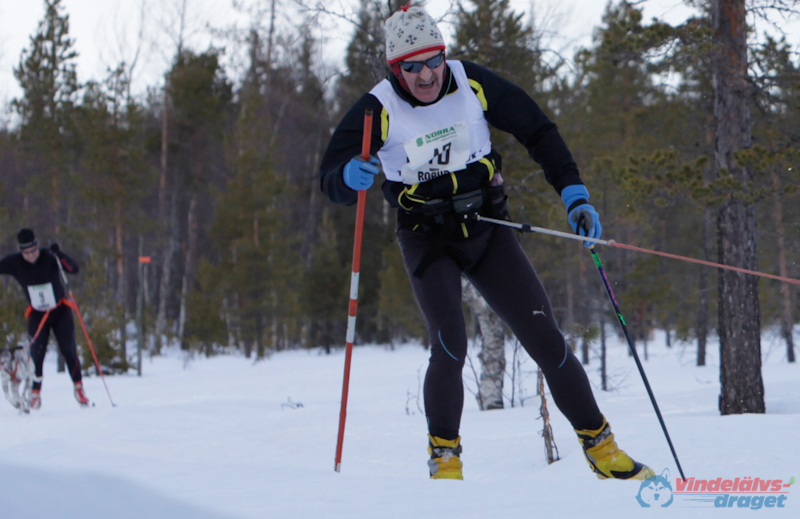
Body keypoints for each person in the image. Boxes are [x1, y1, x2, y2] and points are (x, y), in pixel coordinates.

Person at [320, 4, 652, 481]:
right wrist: (347, 177)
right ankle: (445, 459)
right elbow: (330, 177)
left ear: (443, 55)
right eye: (411, 67)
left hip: (487, 228)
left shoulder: (470, 81)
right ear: (396, 69)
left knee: (544, 338)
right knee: (450, 344)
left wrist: (574, 193)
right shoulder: (378, 107)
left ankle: (601, 447)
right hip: (426, 237)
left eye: (433, 59)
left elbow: (537, 129)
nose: (427, 74)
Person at [0, 229, 90, 409]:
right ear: (21, 251)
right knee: (36, 354)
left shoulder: (49, 256)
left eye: (34, 250)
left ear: (37, 246)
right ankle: (35, 394)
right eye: (27, 253)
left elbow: (73, 268)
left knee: (69, 350)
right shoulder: (15, 262)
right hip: (37, 313)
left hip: (60, 310)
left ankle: (79, 389)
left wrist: (59, 253)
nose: (31, 255)